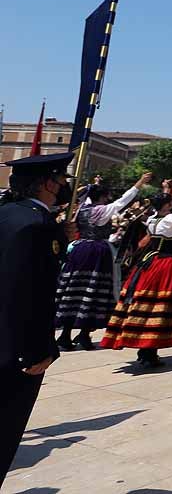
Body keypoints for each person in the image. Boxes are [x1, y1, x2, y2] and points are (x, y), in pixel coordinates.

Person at [0, 152, 73, 487]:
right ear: (46, 183)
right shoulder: (37, 226)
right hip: (13, 351)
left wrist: (59, 237)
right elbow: (27, 294)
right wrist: (34, 352)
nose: (63, 186)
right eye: (60, 180)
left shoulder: (9, 214)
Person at [101, 177, 172, 369]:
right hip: (167, 264)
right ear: (168, 205)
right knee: (162, 308)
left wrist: (166, 189)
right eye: (171, 203)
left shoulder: (152, 219)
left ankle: (145, 348)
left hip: (150, 261)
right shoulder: (170, 220)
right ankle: (150, 349)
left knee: (143, 303)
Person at [56, 171, 153, 351]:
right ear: (101, 196)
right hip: (97, 253)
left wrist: (95, 184)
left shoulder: (81, 209)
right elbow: (122, 201)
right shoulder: (101, 210)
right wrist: (139, 183)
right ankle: (84, 334)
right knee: (93, 292)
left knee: (74, 289)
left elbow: (85, 195)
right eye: (106, 195)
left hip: (78, 249)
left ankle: (65, 335)